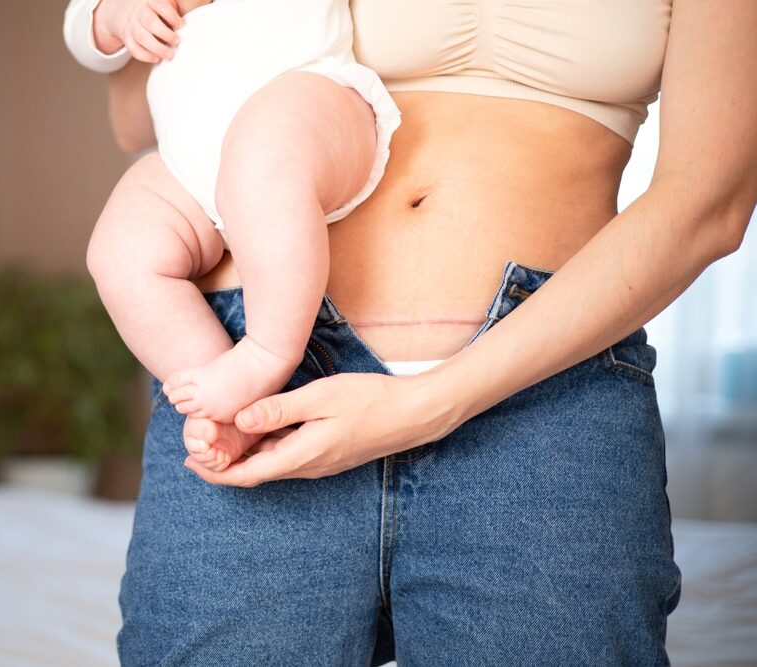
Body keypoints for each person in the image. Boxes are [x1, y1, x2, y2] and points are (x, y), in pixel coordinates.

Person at [65, 0, 757, 663]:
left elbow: (711, 199)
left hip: (546, 391)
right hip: (261, 387)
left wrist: (433, 400)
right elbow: (136, 117)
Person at [85, 0, 400, 473]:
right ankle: (224, 397)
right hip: (187, 160)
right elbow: (84, 28)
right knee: (119, 252)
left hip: (305, 103)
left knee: (263, 155)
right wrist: (115, 15)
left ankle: (266, 354)